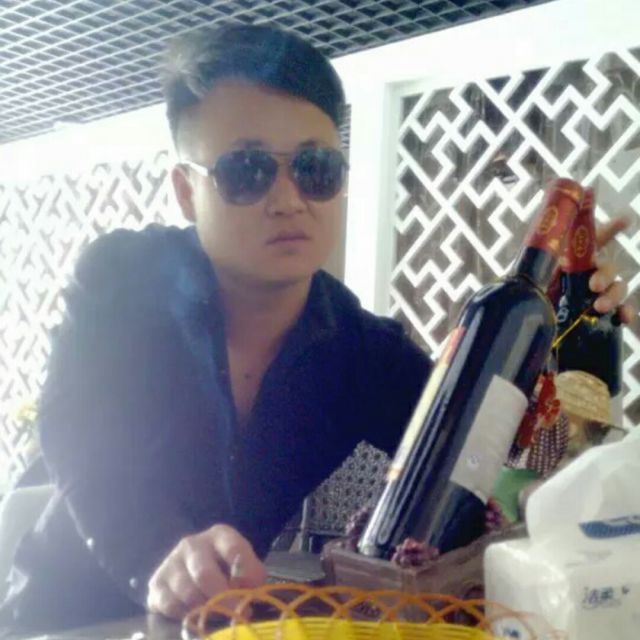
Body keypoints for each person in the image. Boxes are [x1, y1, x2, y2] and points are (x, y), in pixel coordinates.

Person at [0, 23, 634, 632]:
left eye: (315, 169)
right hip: (68, 618)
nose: (287, 200)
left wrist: (558, 345)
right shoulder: (125, 280)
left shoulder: (361, 349)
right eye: (247, 171)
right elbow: (79, 433)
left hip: (223, 627)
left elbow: (491, 458)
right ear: (187, 191)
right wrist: (157, 554)